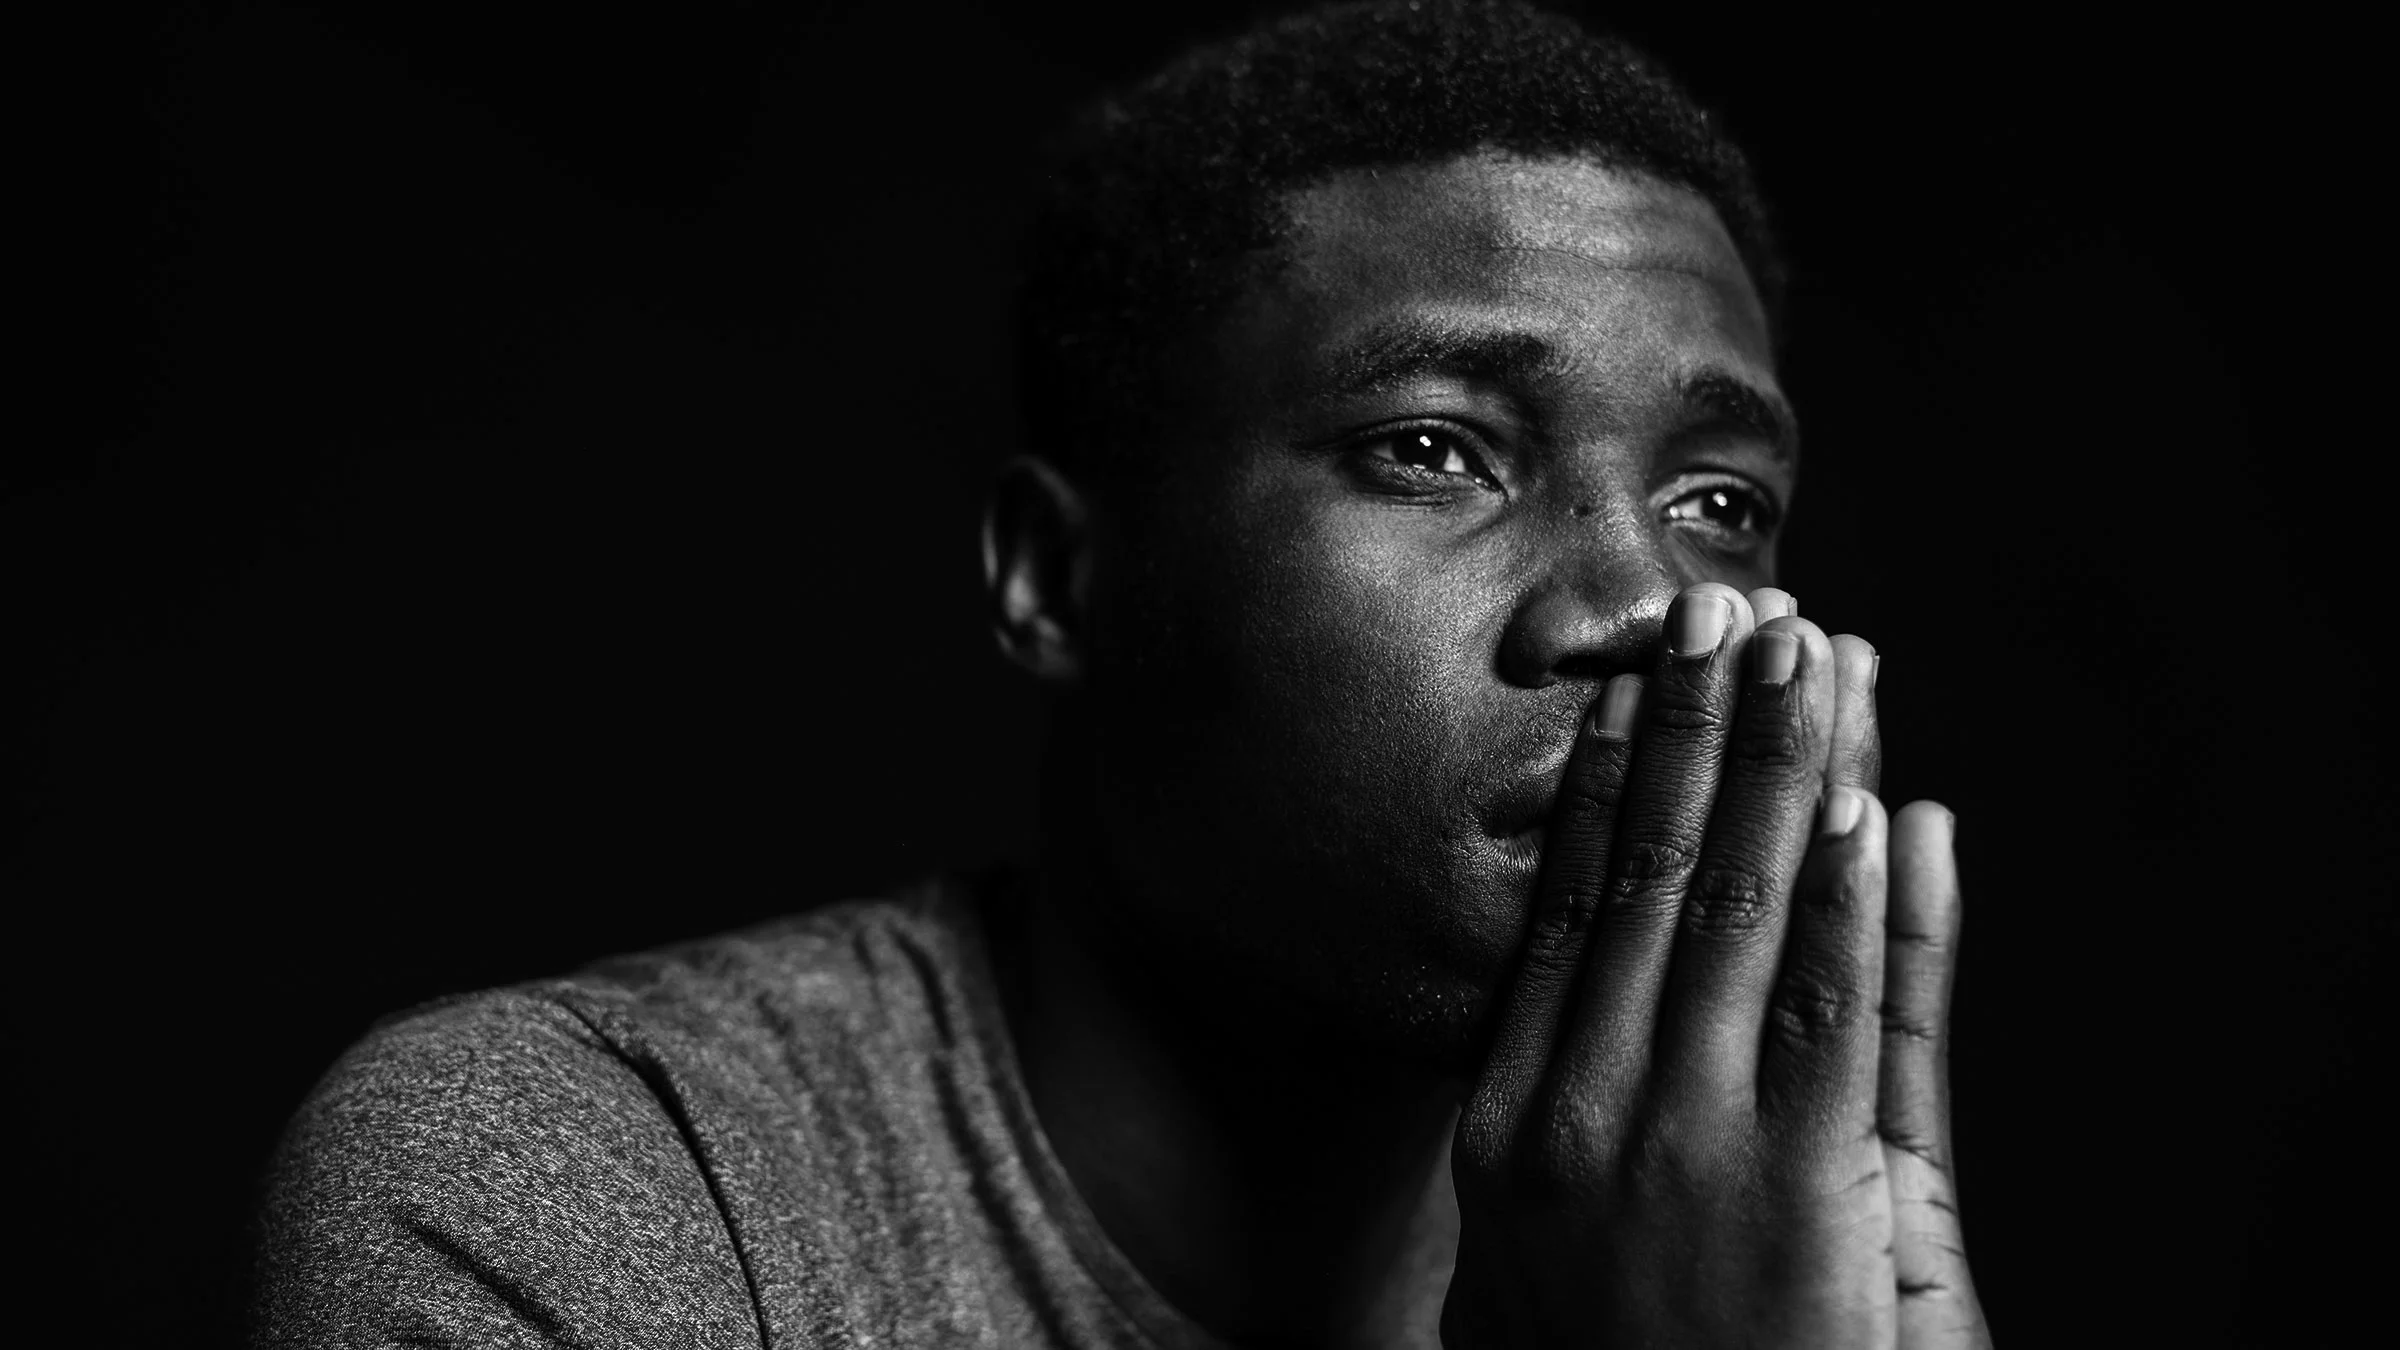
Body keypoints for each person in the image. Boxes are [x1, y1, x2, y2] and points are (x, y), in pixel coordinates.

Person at [251, 3, 1992, 1345]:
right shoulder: (588, 1176)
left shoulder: (1777, 1244)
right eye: (1434, 449)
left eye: (1719, 504)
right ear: (1056, 576)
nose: (1639, 604)